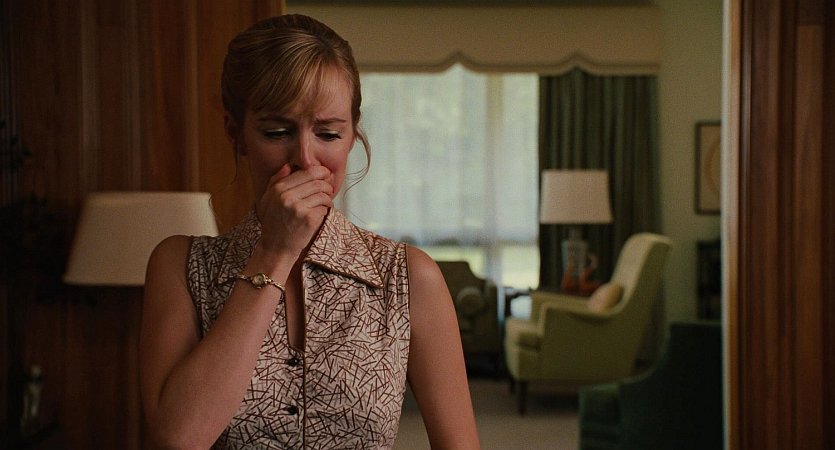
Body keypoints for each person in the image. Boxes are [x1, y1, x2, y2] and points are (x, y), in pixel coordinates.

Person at [139, 14, 480, 450]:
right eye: (277, 131)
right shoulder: (182, 267)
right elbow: (177, 439)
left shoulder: (407, 277)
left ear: (352, 135)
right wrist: (273, 252)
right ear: (236, 133)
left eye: (328, 133)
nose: (304, 157)